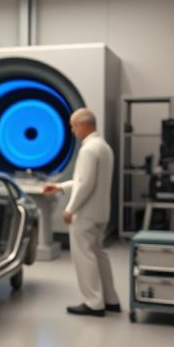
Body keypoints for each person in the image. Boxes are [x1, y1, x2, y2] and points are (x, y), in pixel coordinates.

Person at [43, 108, 120, 317]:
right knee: (98, 253)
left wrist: (70, 209)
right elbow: (84, 181)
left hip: (85, 213)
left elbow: (85, 184)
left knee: (84, 256)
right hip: (101, 211)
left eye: (73, 125)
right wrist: (60, 187)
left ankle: (94, 302)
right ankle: (111, 298)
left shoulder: (87, 150)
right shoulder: (103, 147)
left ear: (84, 125)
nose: (71, 129)